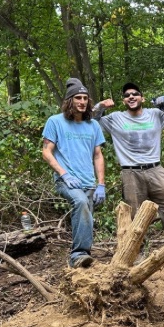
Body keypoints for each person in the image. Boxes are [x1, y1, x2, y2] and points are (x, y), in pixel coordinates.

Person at [93, 83, 164, 240]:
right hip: (130, 172)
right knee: (135, 214)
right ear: (123, 101)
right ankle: (137, 251)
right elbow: (91, 120)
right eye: (127, 95)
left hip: (155, 169)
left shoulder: (155, 114)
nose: (131, 96)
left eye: (135, 94)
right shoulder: (116, 118)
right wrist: (100, 106)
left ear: (142, 98)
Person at [42, 78, 106, 268]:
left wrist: (101, 184)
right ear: (70, 100)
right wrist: (64, 174)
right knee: (79, 202)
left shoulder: (93, 125)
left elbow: (98, 155)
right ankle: (78, 255)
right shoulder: (55, 122)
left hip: (89, 182)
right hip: (66, 181)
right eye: (78, 97)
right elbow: (46, 151)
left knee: (86, 215)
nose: (82, 102)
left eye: (85, 98)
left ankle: (83, 262)